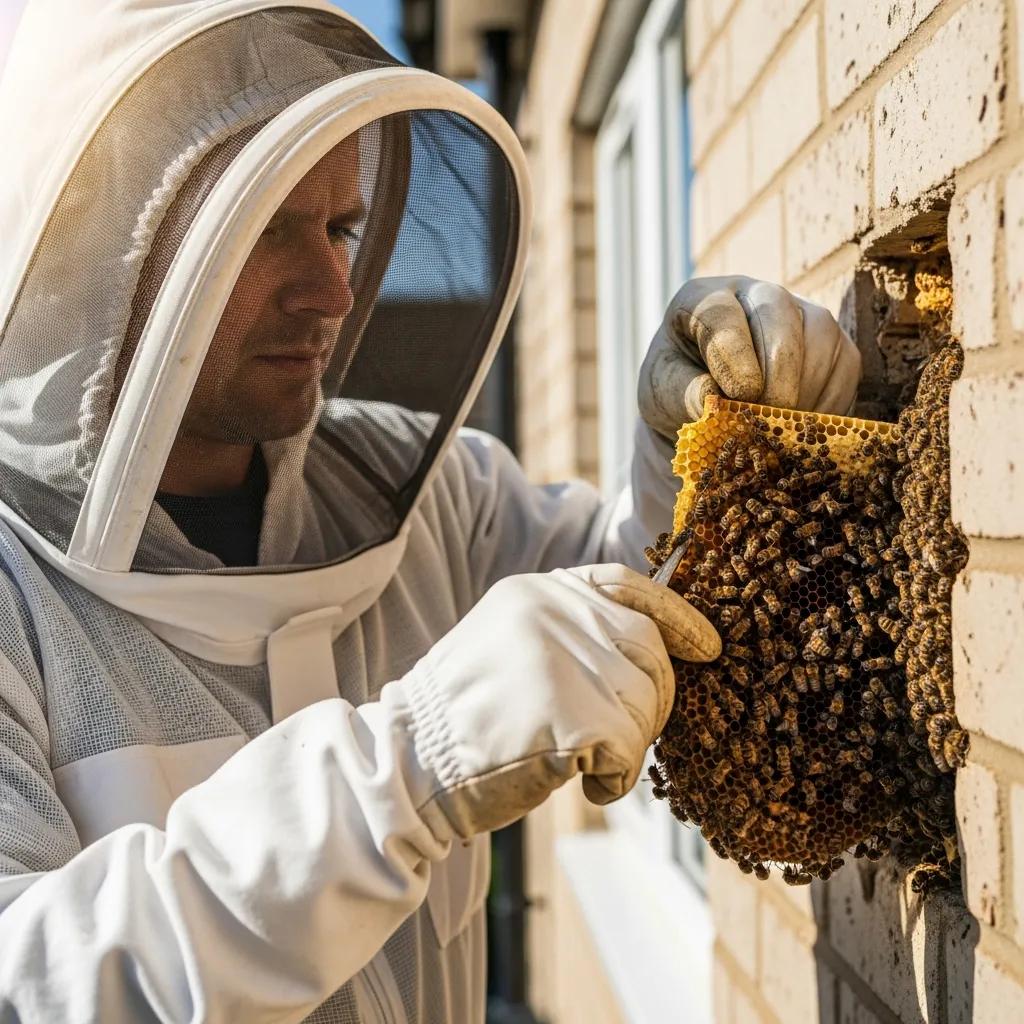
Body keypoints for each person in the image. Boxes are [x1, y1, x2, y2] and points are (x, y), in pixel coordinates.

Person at [0, 2, 861, 1021]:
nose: (330, 287)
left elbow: (646, 613)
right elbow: (32, 979)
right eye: (267, 226)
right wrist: (408, 772)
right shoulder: (20, 591)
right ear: (105, 247)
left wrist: (690, 443)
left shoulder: (423, 489)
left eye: (342, 227)